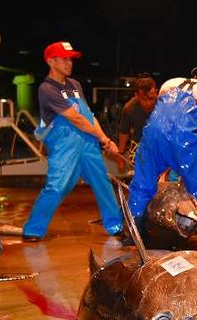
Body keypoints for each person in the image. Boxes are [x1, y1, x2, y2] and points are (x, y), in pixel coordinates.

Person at [22, 41, 123, 242]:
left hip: (88, 144)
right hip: (64, 147)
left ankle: (116, 226)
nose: (69, 63)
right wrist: (102, 138)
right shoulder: (47, 88)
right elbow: (76, 118)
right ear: (51, 61)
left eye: (70, 59)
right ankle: (33, 229)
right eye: (64, 59)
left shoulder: (75, 85)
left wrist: (106, 140)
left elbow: (88, 116)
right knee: (58, 186)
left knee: (103, 183)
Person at [128, 64, 197, 249]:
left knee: (141, 186)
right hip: (184, 141)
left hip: (152, 137)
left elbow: (163, 118)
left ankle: (133, 237)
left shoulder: (169, 83)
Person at [116, 74, 158, 173]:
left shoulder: (164, 105)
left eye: (151, 98)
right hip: (138, 145)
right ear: (136, 95)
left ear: (156, 92)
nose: (148, 103)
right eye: (144, 99)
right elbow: (124, 132)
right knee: (139, 177)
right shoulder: (129, 109)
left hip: (159, 144)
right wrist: (120, 155)